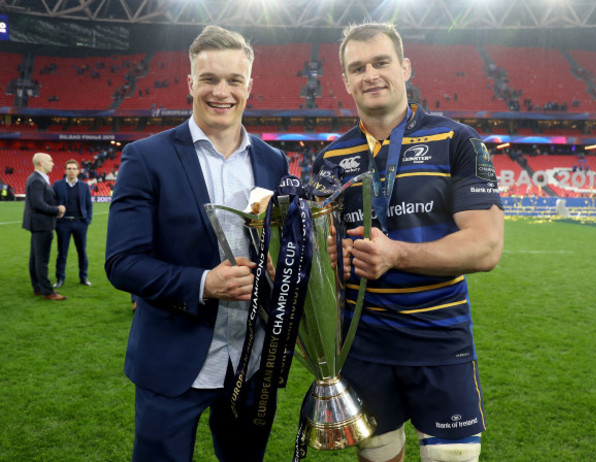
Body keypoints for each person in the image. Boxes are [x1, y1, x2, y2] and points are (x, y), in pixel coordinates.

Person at [311, 23, 504, 462]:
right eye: (357, 68)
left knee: (450, 457)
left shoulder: (458, 140)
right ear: (345, 80)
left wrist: (395, 254)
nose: (371, 75)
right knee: (379, 456)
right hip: (362, 345)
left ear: (405, 67)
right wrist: (330, 257)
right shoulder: (330, 159)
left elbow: (487, 247)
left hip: (439, 339)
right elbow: (324, 254)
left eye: (381, 62)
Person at [105, 25, 289, 462]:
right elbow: (122, 262)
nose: (221, 91)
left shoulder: (273, 160)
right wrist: (206, 283)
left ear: (249, 85)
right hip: (173, 363)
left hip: (252, 363)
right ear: (191, 83)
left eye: (234, 80)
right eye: (209, 79)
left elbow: (282, 246)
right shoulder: (146, 156)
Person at [22, 152, 67, 301]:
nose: (53, 163)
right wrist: (57, 209)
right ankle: (47, 291)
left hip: (38, 223)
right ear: (41, 163)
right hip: (42, 224)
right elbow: (38, 204)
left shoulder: (36, 179)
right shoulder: (37, 180)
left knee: (35, 258)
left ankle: (38, 288)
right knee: (41, 260)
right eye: (50, 160)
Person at [52, 159, 93, 288]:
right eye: (69, 168)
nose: (71, 171)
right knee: (62, 253)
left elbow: (88, 205)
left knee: (82, 252)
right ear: (65, 170)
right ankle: (60, 279)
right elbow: (52, 203)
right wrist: (57, 219)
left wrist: (87, 220)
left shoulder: (84, 186)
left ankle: (84, 277)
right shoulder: (57, 185)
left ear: (78, 171)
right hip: (63, 223)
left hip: (80, 223)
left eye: (74, 168)